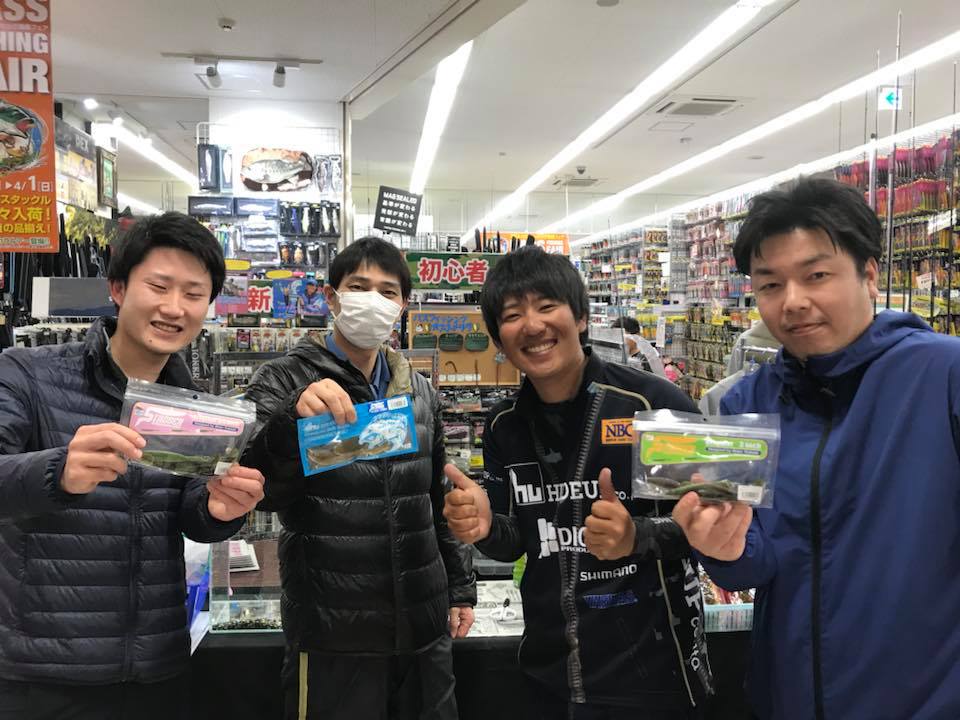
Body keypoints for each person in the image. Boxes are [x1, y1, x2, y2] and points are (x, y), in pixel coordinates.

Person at [672, 177, 960, 720]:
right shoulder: (746, 404)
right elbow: (754, 563)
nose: (793, 302)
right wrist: (722, 548)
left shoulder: (944, 375)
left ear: (869, 274)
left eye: (816, 275)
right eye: (770, 284)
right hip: (788, 697)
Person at [0, 212, 265, 720]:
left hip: (157, 671)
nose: (174, 307)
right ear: (118, 289)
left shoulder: (197, 407)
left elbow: (189, 513)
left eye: (193, 293)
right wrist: (57, 471)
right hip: (45, 676)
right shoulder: (27, 373)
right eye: (159, 287)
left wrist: (221, 510)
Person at [443, 247, 712, 719]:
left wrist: (636, 536)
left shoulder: (650, 405)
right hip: (549, 674)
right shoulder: (505, 425)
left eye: (547, 306)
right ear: (499, 340)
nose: (532, 325)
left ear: (581, 317)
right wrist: (484, 527)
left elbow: (713, 526)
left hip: (652, 676)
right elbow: (515, 542)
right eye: (513, 315)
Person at [241, 236, 476, 720]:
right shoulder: (283, 380)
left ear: (402, 306)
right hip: (333, 631)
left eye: (388, 292)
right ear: (332, 297)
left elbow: (436, 498)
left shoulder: (419, 391)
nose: (373, 300)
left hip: (422, 626)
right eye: (358, 287)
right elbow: (258, 490)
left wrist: (459, 587)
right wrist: (291, 420)